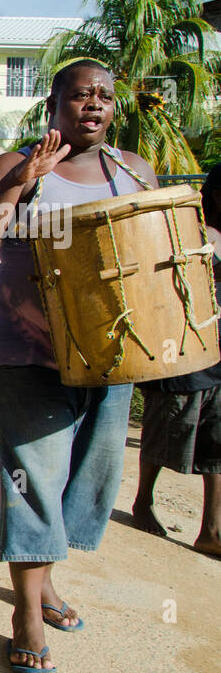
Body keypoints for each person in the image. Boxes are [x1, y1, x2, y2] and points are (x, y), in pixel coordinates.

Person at [0, 58, 158, 673]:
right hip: (28, 352)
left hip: (112, 352)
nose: (93, 105)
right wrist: (24, 177)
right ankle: (24, 614)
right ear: (54, 104)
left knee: (82, 478)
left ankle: (43, 580)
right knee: (34, 474)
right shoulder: (13, 164)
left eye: (103, 95)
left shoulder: (134, 171)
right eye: (80, 95)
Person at [132, 162, 221, 556]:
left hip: (218, 354)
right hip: (181, 352)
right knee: (164, 431)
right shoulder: (190, 232)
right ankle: (143, 498)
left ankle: (212, 528)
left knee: (219, 442)